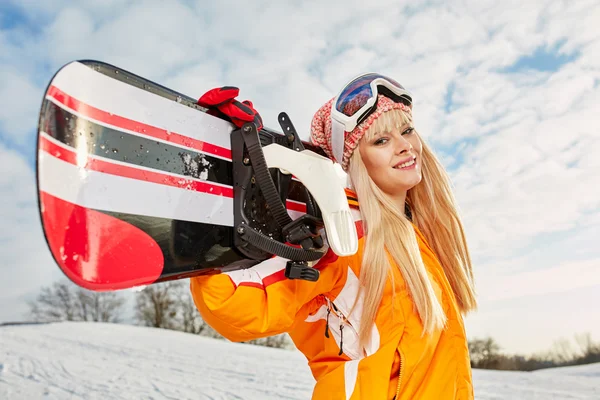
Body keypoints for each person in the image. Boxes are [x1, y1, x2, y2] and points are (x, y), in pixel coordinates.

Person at [191, 73, 478, 399]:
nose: (404, 146)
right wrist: (225, 184)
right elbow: (235, 305)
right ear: (357, 163)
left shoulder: (422, 237)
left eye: (407, 130)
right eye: (381, 141)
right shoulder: (343, 239)